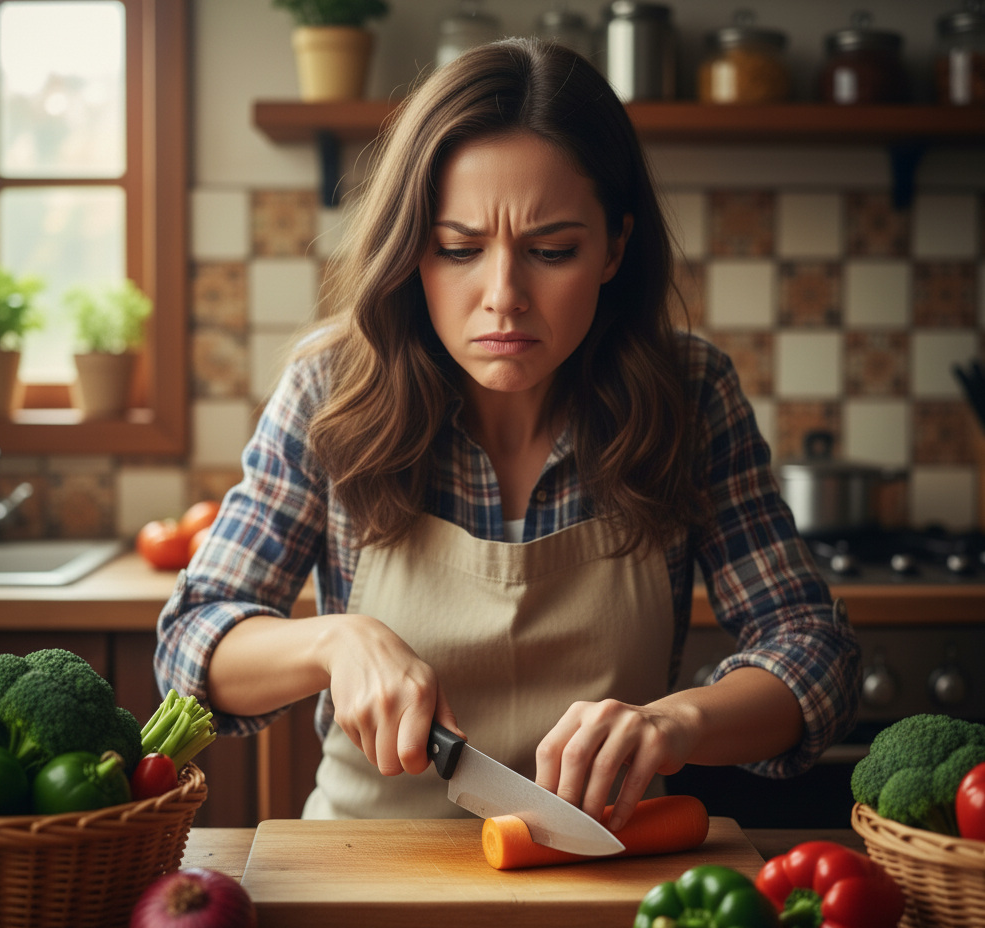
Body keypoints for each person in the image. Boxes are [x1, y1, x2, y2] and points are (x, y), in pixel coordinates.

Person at [155, 37, 859, 834]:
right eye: (458, 249)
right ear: (411, 250)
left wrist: (677, 723)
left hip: (604, 871)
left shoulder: (688, 394)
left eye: (550, 250)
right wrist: (331, 643)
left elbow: (815, 650)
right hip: (364, 866)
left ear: (613, 248)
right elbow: (190, 645)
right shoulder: (330, 387)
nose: (502, 297)